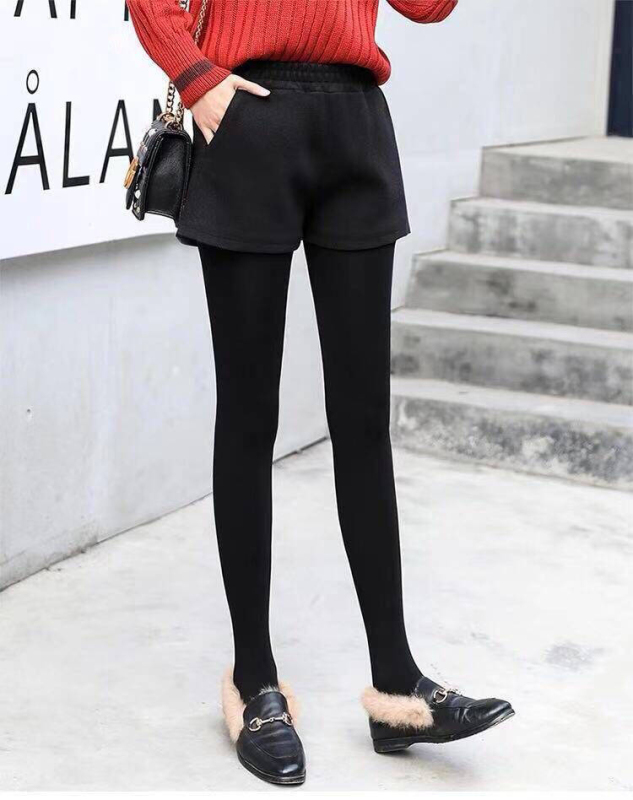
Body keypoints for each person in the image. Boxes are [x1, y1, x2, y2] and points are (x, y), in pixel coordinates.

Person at [127, 0, 514, 785]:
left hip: (355, 123)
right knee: (249, 418)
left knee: (364, 420)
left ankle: (396, 684)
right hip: (249, 117)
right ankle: (254, 679)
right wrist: (196, 78)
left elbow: (427, 7)